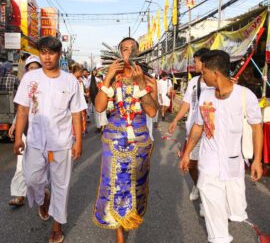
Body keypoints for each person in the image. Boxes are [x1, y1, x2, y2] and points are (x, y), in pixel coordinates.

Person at [180, 50, 263, 243]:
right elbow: (198, 126)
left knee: (234, 211)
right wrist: (186, 153)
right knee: (212, 209)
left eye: (204, 73)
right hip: (208, 163)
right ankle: (219, 238)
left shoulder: (245, 96)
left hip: (233, 164)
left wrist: (257, 160)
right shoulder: (205, 95)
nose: (203, 77)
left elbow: (257, 127)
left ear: (215, 73)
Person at [13, 36, 87, 243]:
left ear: (59, 55)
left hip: (60, 144)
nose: (47, 57)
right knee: (31, 179)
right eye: (43, 52)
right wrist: (18, 137)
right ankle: (43, 197)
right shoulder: (31, 78)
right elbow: (23, 109)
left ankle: (57, 225)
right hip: (36, 142)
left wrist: (78, 142)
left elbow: (75, 114)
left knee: (61, 184)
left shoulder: (70, 81)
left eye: (51, 53)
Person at [92, 37, 158, 243]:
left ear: (139, 53)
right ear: (119, 53)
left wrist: (140, 84)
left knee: (134, 185)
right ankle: (119, 233)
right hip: (113, 141)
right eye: (124, 50)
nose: (128, 53)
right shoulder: (111, 79)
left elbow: (152, 110)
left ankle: (129, 218)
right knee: (113, 185)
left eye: (132, 49)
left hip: (138, 142)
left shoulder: (149, 81)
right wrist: (109, 76)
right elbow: (99, 107)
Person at [169, 48, 210, 203]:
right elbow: (187, 103)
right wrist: (175, 120)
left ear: (204, 62)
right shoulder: (194, 82)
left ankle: (207, 200)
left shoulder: (217, 81)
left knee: (207, 165)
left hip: (210, 131)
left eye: (196, 61)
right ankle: (197, 186)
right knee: (191, 165)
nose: (194, 64)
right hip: (193, 129)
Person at [8, 55, 42, 206]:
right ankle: (19, 194)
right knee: (21, 164)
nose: (33, 70)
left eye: (36, 68)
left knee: (42, 167)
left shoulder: (47, 85)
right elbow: (21, 109)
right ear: (26, 69)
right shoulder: (23, 84)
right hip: (26, 131)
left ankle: (43, 195)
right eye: (30, 68)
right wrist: (15, 125)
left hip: (43, 134)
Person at [71, 63, 88, 134]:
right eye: (80, 71)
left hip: (81, 103)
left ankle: (81, 131)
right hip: (74, 105)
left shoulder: (80, 80)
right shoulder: (71, 80)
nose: (82, 73)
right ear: (77, 70)